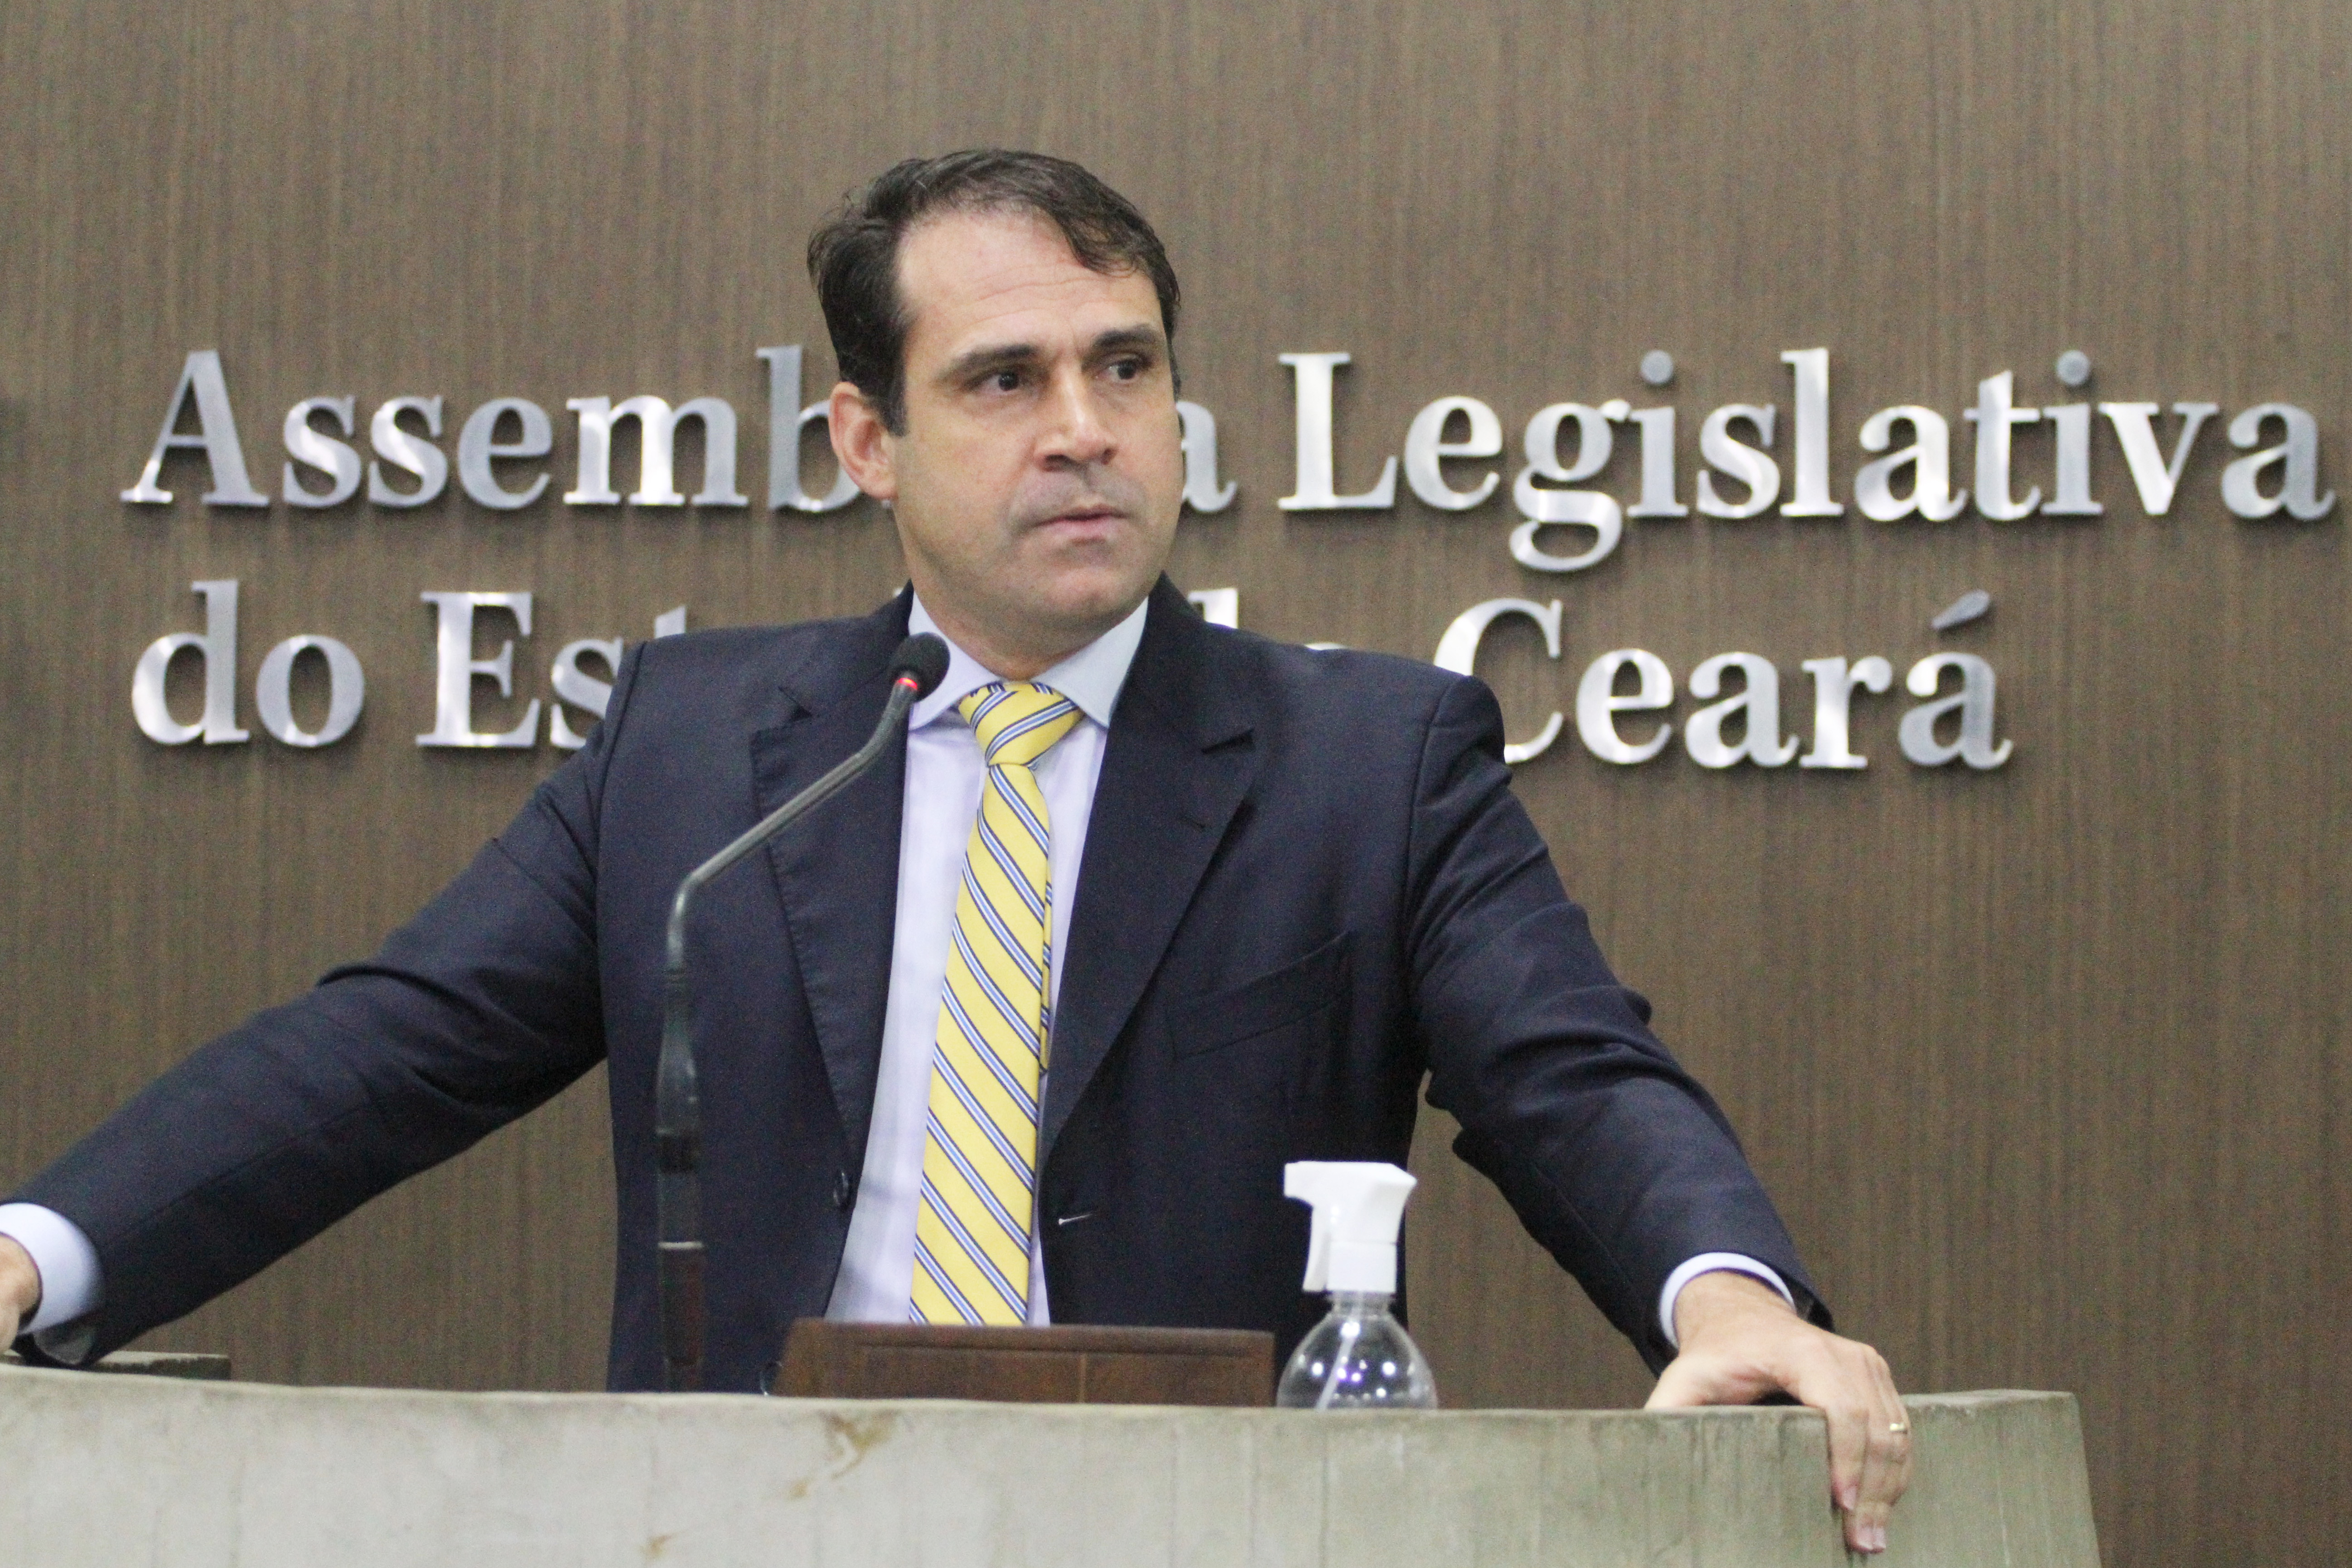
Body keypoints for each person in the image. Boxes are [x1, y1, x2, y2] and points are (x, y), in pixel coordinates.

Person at [0, 151, 1910, 1552]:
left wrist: (1731, 1302)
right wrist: (29, 1255)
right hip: (751, 1533)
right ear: (867, 441)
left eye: (1127, 368)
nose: (1085, 431)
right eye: (1005, 381)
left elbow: (1575, 1075)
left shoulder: (1369, 763)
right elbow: (380, 1051)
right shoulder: (700, 754)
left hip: (1206, 1541)